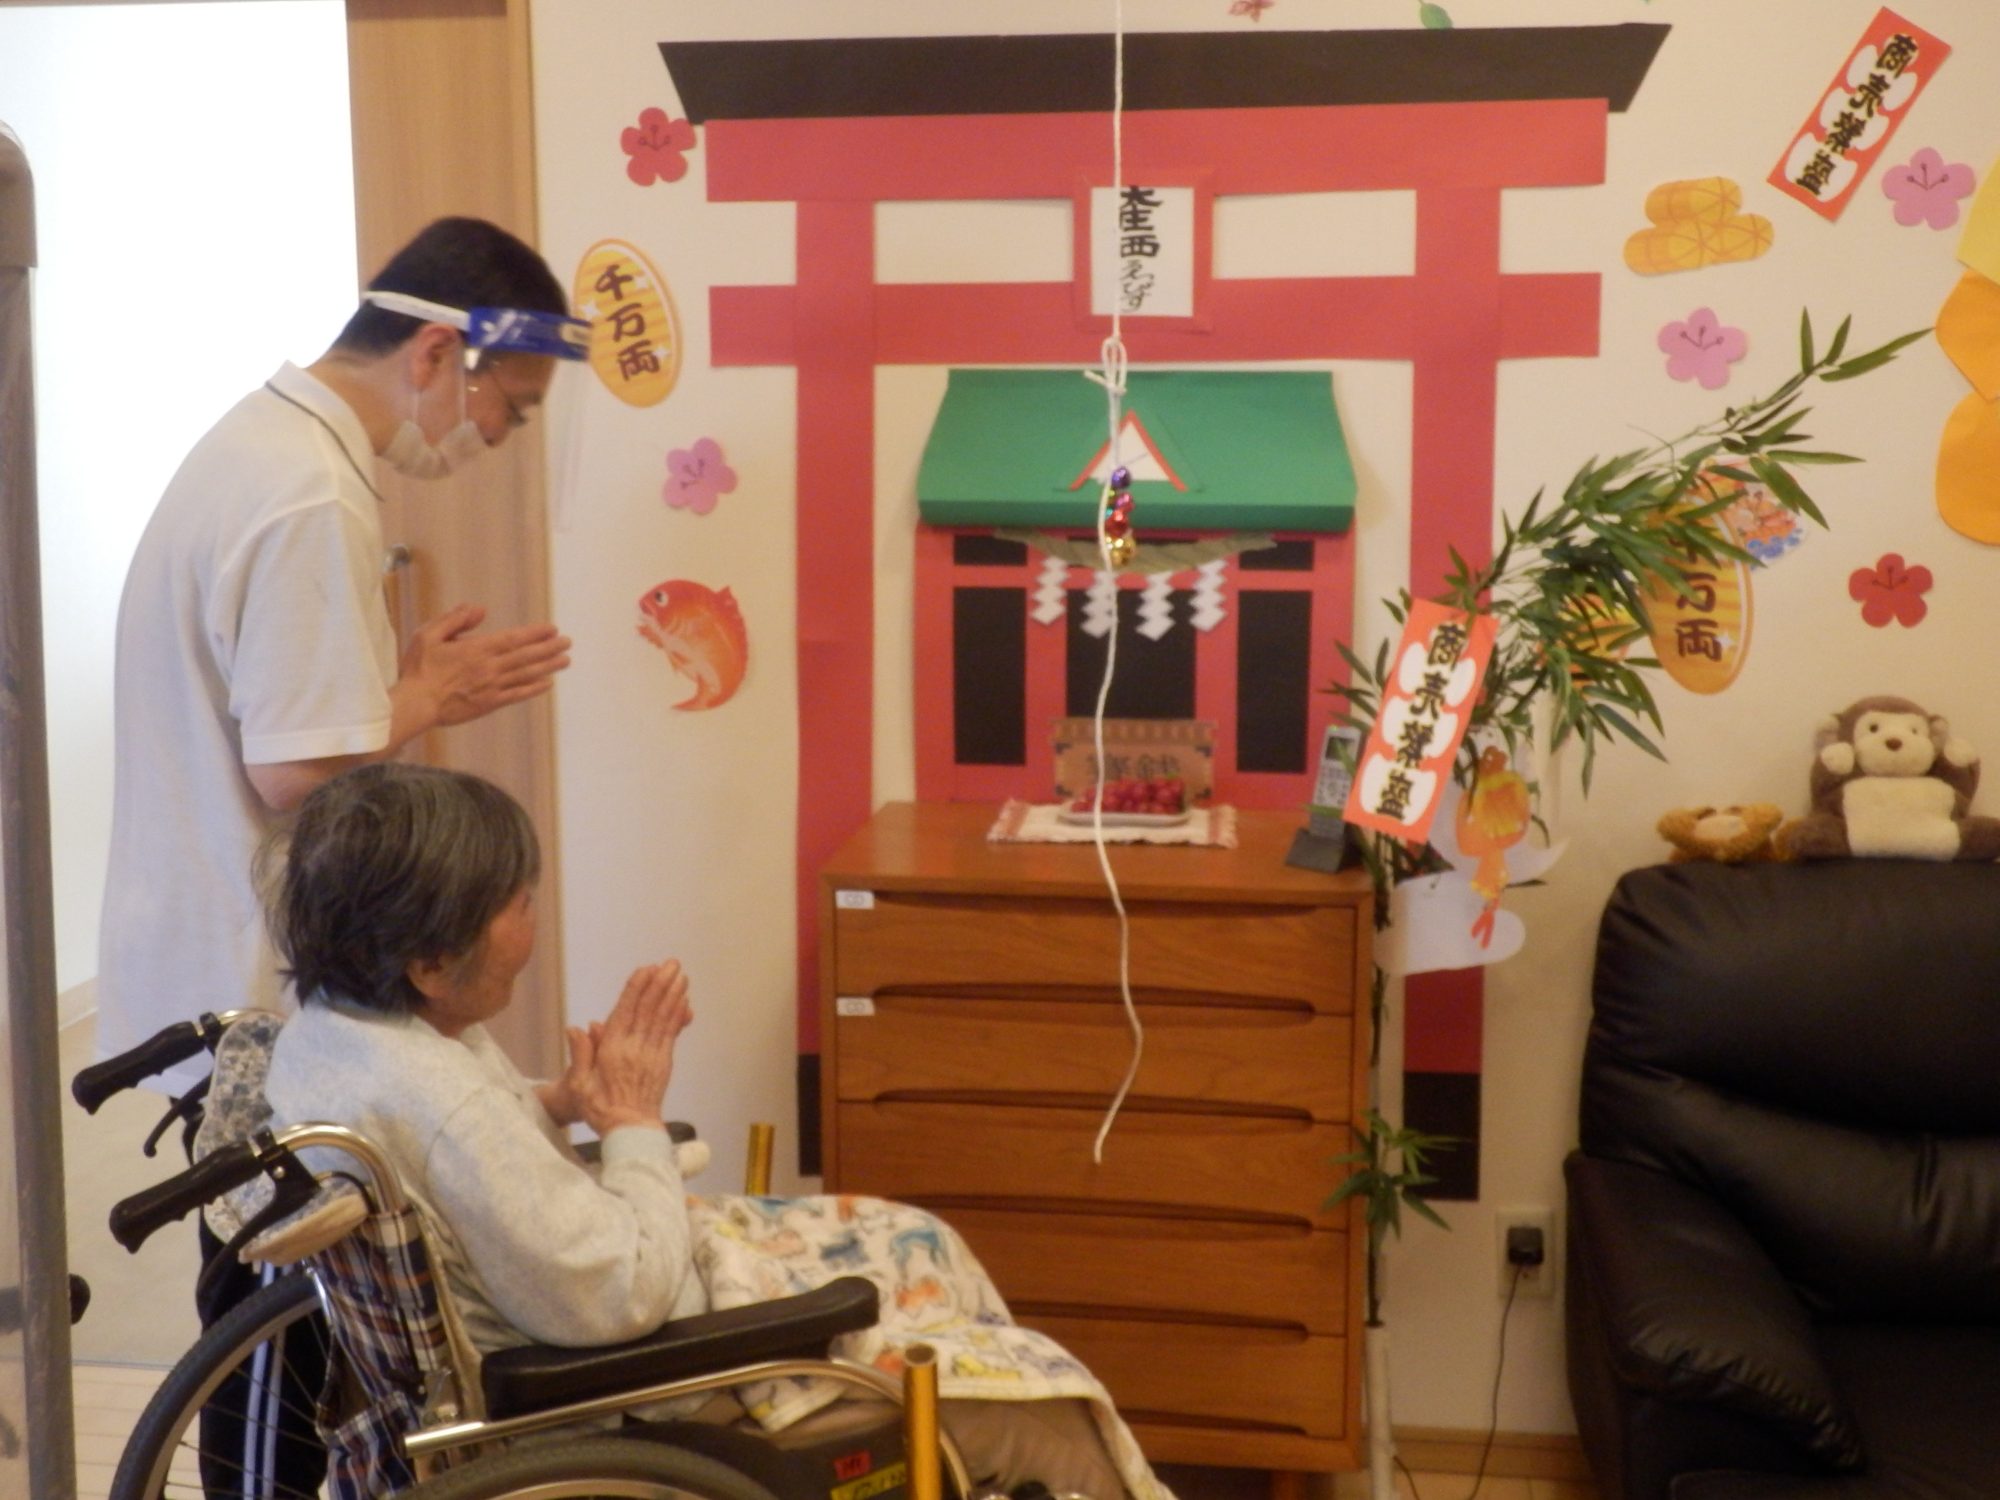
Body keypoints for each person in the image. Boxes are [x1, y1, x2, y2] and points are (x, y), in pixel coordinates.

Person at [261, 763, 1170, 1500]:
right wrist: (633, 1121)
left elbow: (471, 1156)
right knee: (1042, 1409)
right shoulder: (445, 1106)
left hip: (570, 1295)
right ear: (429, 961)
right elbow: (617, 1298)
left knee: (921, 1236)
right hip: (628, 1379)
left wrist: (561, 1102)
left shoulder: (341, 1030)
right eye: (519, 903)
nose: (534, 914)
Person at [94, 214, 582, 1091]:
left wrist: (402, 688)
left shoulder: (260, 439)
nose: (496, 437)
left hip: (184, 926)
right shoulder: (314, 493)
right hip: (239, 962)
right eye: (508, 408)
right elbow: (296, 770)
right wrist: (425, 698)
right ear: (436, 353)